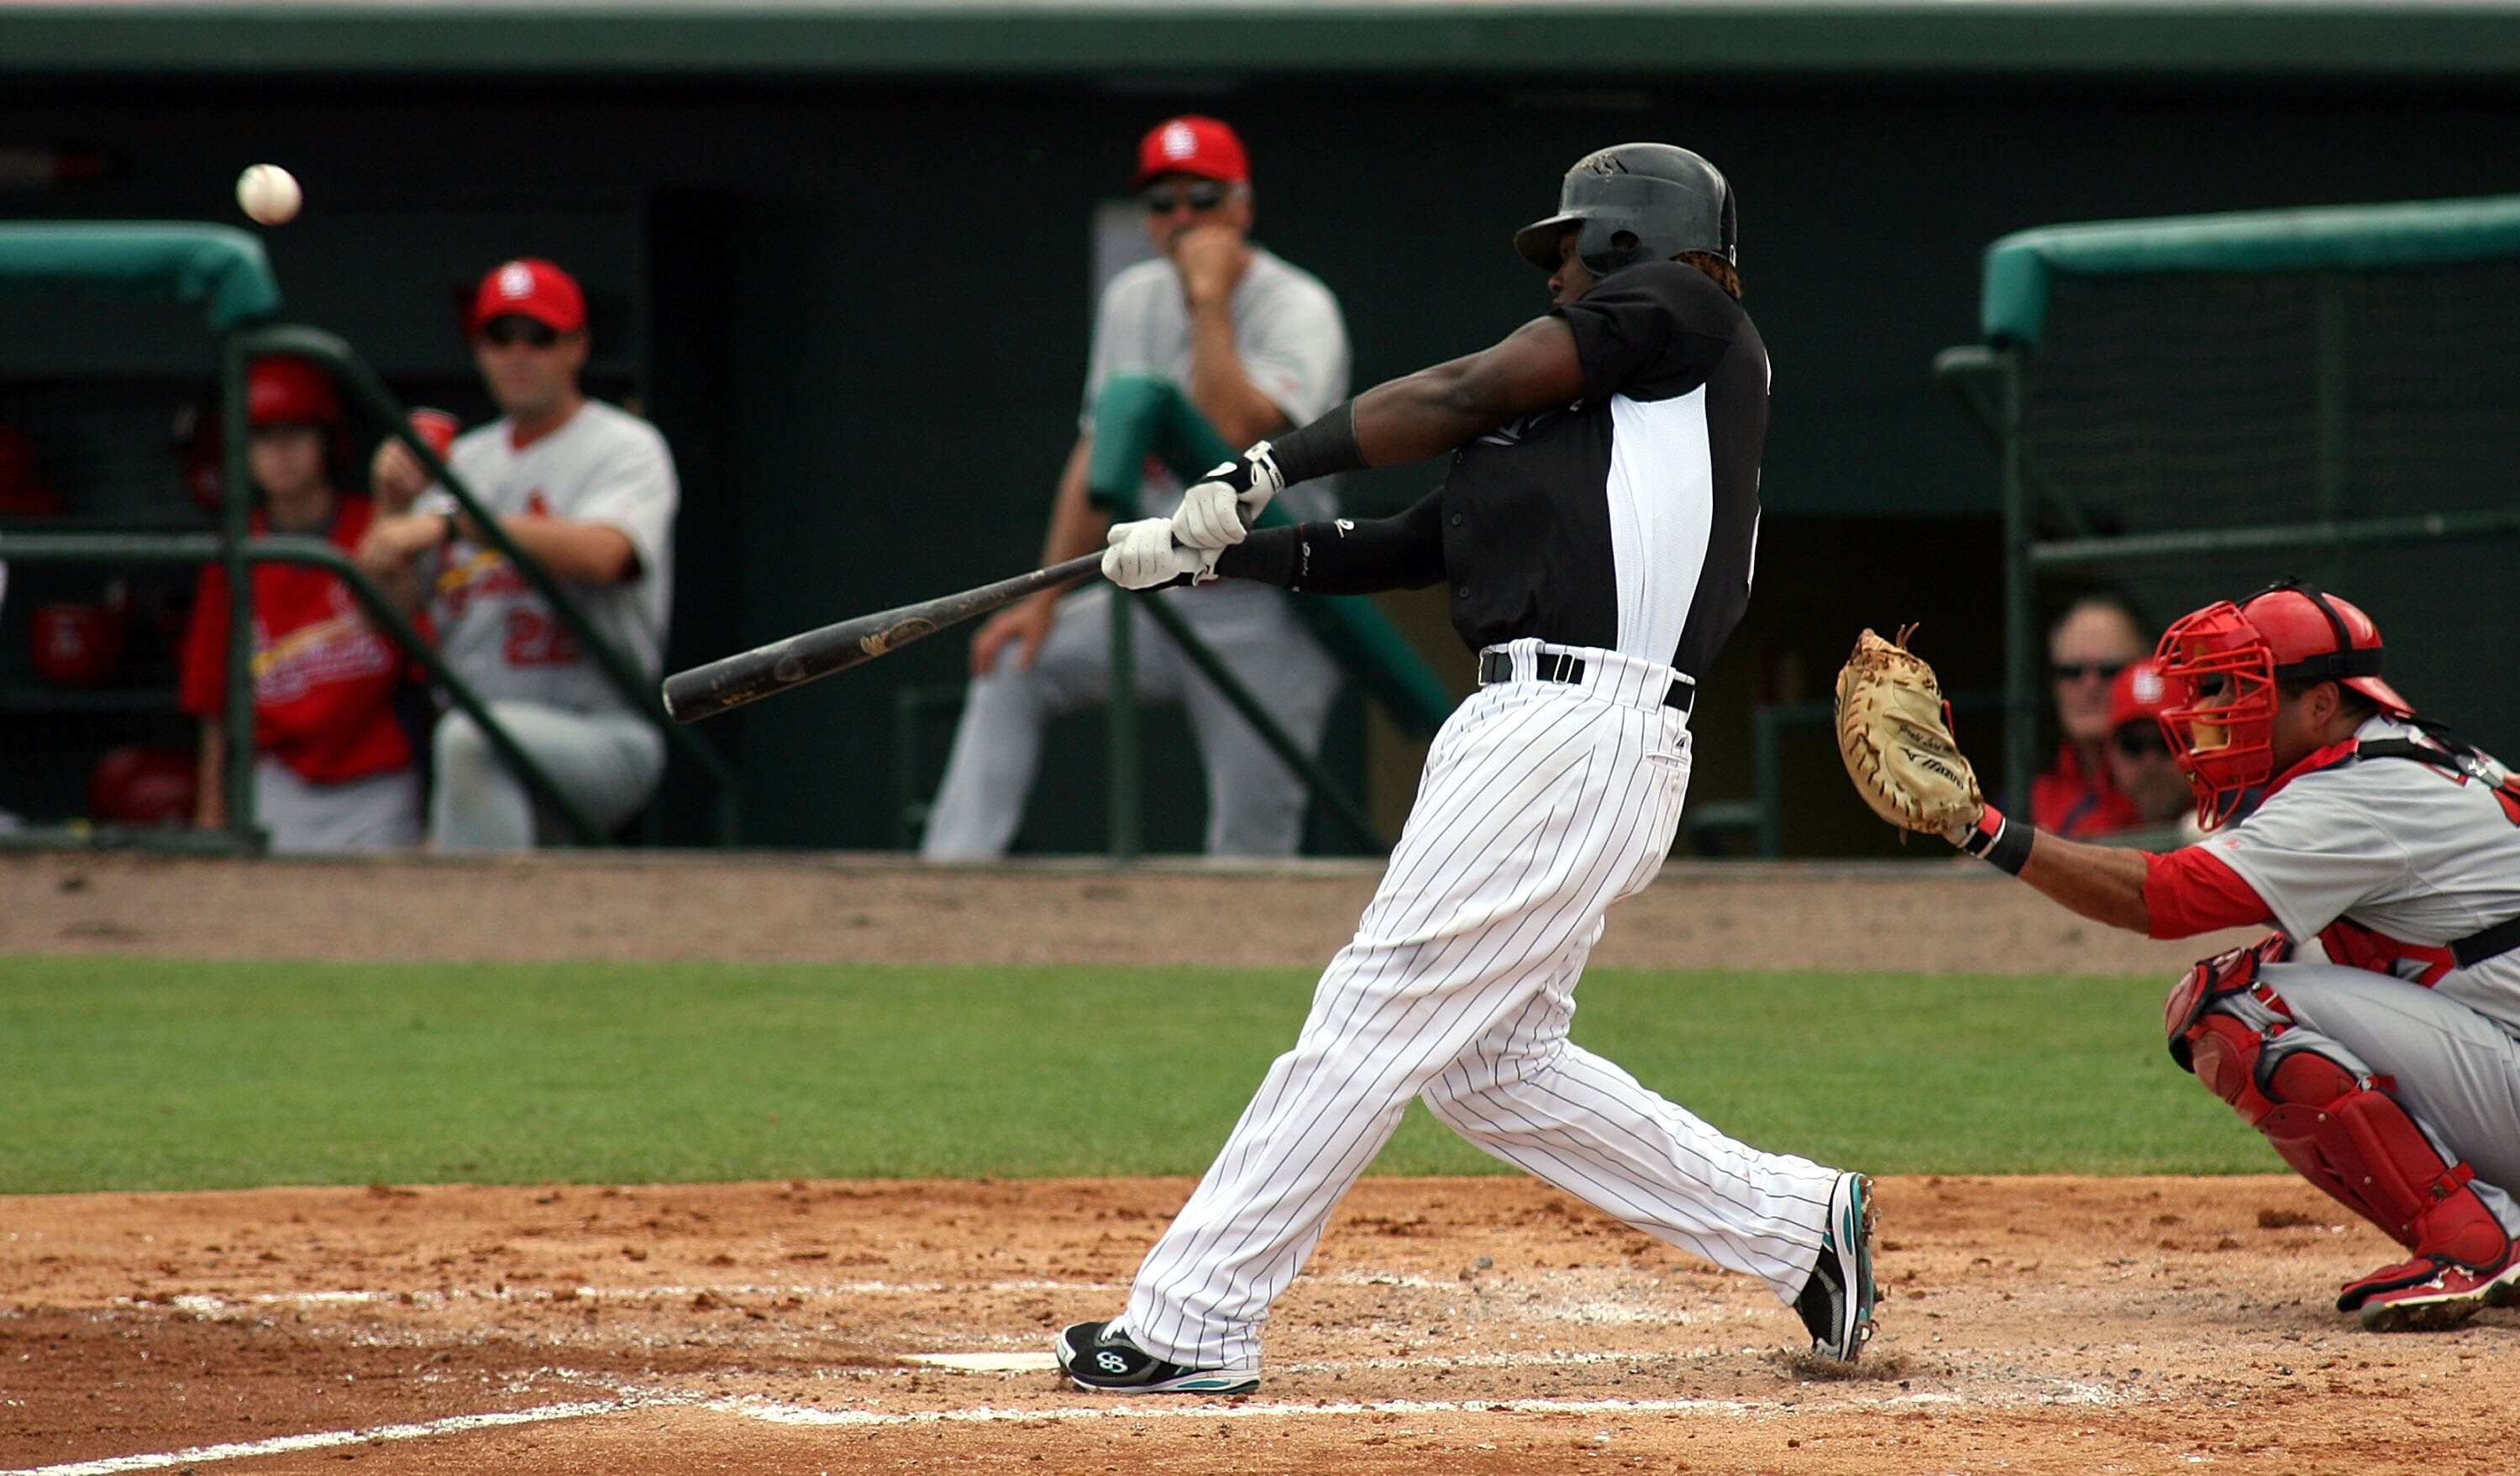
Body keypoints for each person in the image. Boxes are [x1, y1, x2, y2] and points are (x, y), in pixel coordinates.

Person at [1061, 143, 1877, 1395]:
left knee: (1372, 1015)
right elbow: (1404, 545)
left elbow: (1461, 386)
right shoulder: (1591, 429)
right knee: (1494, 1073)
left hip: (1574, 728)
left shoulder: (1689, 314)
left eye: (1568, 252)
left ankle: (1193, 1323)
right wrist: (1207, 555)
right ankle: (1792, 1223)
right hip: (1545, 735)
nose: (1557, 281)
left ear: (1624, 241)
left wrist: (1272, 459)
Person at [1928, 579, 2520, 1332]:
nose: (2215, 716)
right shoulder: (2395, 757)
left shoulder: (2359, 790)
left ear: (2320, 703)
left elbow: (2161, 898)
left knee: (2239, 1005)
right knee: (2288, 957)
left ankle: (2473, 1241)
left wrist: (1983, 829)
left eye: (2244, 691)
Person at [920, 115, 1348, 859]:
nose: (1182, 220)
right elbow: (1097, 455)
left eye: (1202, 199)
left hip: (1272, 602)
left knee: (1252, 854)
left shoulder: (1298, 305)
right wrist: (1041, 600)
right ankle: (950, 880)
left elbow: (1234, 443)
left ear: (1242, 207)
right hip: (1160, 592)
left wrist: (1207, 303)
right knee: (1012, 668)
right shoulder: (1132, 298)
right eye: (1163, 203)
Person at [357, 257, 677, 849]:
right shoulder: (465, 462)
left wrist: (454, 524)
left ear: (577, 347)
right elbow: (389, 615)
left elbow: (606, 554)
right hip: (476, 732)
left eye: (539, 337)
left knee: (470, 739)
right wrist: (390, 513)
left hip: (601, 730)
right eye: (501, 338)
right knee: (469, 742)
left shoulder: (624, 446)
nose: (519, 354)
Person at [179, 356, 422, 852]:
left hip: (377, 782)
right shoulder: (235, 550)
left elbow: (429, 673)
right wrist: (210, 809)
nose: (281, 452)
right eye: (264, 436)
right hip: (280, 782)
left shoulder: (377, 526)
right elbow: (212, 701)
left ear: (328, 440)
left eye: (296, 432)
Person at [2031, 593, 2151, 837]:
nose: (2090, 685)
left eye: (2109, 671)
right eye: (2071, 672)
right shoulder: (2028, 790)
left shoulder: (2177, 772)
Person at [2099, 657, 2196, 843]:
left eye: (2168, 743)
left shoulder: (2244, 819)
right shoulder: (2080, 830)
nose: (2151, 761)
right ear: (2110, 752)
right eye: (2133, 745)